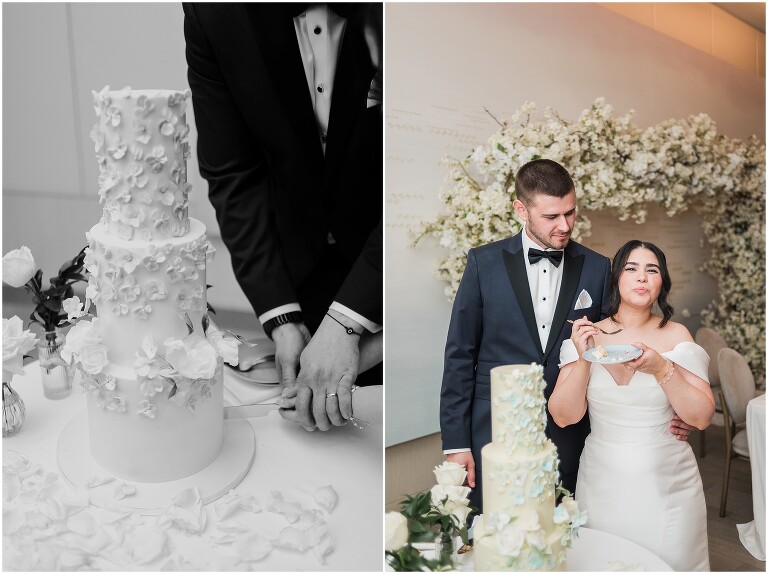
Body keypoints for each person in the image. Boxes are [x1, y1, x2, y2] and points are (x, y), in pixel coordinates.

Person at [439, 159, 693, 514]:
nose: (565, 225)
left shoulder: (596, 266)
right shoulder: (483, 263)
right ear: (521, 209)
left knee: (564, 536)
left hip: (571, 432)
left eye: (571, 213)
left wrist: (674, 407)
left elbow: (619, 346)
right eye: (551, 217)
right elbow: (459, 356)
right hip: (493, 428)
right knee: (492, 534)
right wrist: (455, 444)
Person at [183, 3, 382, 432]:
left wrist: (348, 323)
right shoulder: (215, 14)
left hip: (395, 251)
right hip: (297, 263)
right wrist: (282, 317)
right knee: (315, 429)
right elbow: (232, 172)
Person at [548, 240, 714, 571]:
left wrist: (661, 369)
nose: (642, 277)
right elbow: (565, 416)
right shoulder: (588, 334)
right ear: (616, 279)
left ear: (662, 283)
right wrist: (583, 357)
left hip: (666, 483)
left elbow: (702, 416)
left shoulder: (677, 335)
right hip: (600, 481)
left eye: (652, 270)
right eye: (631, 269)